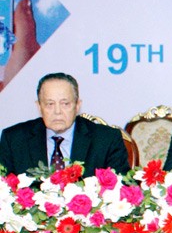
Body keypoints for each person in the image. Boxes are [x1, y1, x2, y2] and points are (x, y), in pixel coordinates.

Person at [0, 72, 130, 176]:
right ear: (39, 106)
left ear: (77, 105)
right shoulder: (14, 139)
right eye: (50, 104)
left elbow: (122, 189)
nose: (57, 111)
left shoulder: (106, 140)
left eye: (65, 104)